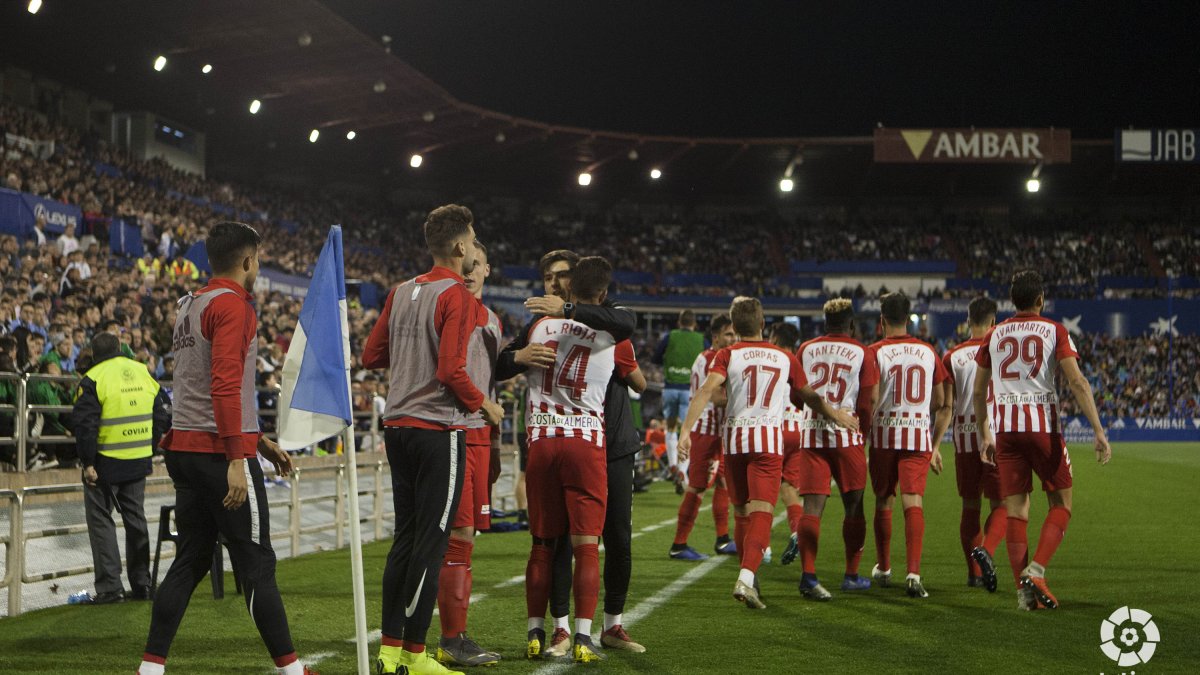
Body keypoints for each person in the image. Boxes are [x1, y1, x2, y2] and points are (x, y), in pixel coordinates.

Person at [138, 222, 314, 675]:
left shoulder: (189, 305)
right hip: (219, 452)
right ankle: (292, 669)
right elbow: (223, 386)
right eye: (258, 259)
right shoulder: (234, 305)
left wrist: (259, 440)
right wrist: (239, 456)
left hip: (185, 448)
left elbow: (198, 386)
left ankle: (151, 667)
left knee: (191, 558)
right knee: (256, 562)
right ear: (248, 260)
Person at [361, 205, 503, 675]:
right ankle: (416, 655)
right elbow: (450, 371)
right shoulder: (456, 294)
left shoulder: (401, 291)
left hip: (396, 428)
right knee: (430, 545)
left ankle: (389, 653)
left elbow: (371, 355)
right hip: (438, 430)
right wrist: (485, 405)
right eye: (474, 238)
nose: (475, 247)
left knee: (404, 540)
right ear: (461, 247)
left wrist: (411, 357)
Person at [495, 248, 641, 659]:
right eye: (549, 278)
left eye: (561, 277)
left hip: (569, 440)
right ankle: (572, 632)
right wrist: (518, 357)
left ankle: (562, 629)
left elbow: (624, 323)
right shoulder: (606, 333)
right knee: (576, 544)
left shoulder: (552, 325)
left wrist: (564, 314)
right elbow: (639, 378)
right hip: (586, 440)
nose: (554, 284)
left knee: (575, 540)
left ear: (573, 284)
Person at [679, 296, 857, 609]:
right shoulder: (784, 357)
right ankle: (746, 577)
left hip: (735, 441)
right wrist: (837, 415)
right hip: (766, 443)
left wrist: (685, 431)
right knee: (762, 511)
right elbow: (810, 397)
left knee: (741, 512)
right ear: (762, 323)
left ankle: (750, 578)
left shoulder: (727, 354)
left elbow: (707, 390)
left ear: (735, 327)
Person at [973, 270, 1111, 610]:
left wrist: (984, 433)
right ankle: (1036, 571)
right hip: (1042, 429)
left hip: (1006, 431)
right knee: (1061, 503)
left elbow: (978, 391)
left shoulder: (993, 334)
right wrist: (1098, 430)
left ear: (1012, 301)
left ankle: (1023, 597)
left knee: (1016, 511)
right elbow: (1077, 382)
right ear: (1040, 300)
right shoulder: (1054, 330)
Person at [780, 299, 879, 599]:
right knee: (854, 507)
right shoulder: (862, 352)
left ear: (825, 323)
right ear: (852, 325)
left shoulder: (806, 348)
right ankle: (851, 575)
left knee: (812, 508)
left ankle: (809, 577)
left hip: (812, 435)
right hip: (847, 436)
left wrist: (816, 413)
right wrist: (863, 432)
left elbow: (796, 397)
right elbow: (867, 402)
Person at [435, 241, 503, 668]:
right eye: (466, 263)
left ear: (487, 270)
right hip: (452, 431)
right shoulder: (448, 307)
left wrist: (494, 444)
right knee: (455, 537)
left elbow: (491, 380)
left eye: (477, 265)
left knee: (467, 537)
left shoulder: (493, 320)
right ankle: (449, 638)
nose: (470, 270)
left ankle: (455, 635)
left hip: (480, 437)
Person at [72, 333, 171, 604]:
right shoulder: (142, 371)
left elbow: (85, 425)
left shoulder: (92, 379)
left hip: (105, 463)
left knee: (101, 520)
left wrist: (88, 463)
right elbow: (163, 410)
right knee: (136, 519)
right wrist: (150, 444)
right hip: (138, 459)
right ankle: (142, 585)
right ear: (119, 348)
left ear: (94, 354)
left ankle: (110, 588)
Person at [868, 292, 953, 599]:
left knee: (884, 500)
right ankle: (914, 574)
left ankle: (884, 568)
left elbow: (871, 398)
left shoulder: (874, 352)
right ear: (908, 319)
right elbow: (941, 401)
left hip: (883, 435)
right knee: (913, 501)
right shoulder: (928, 351)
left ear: (881, 320)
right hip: (917, 435)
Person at [942, 296, 1008, 591]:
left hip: (964, 439)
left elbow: (947, 405)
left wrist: (934, 445)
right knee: (1003, 504)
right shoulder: (1002, 351)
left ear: (968, 321)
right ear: (994, 321)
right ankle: (987, 552)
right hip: (995, 437)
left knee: (970, 506)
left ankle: (974, 574)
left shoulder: (951, 356)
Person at [670, 314, 738, 561]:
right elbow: (717, 398)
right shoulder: (713, 358)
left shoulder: (709, 356)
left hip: (715, 432)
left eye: (735, 334)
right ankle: (679, 544)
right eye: (728, 334)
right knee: (697, 487)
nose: (733, 339)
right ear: (716, 336)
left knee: (723, 483)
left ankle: (723, 539)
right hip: (707, 432)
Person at [653, 310, 706, 491]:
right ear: (694, 324)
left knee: (671, 428)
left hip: (670, 388)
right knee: (687, 431)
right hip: (689, 391)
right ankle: (683, 471)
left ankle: (673, 464)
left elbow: (655, 357)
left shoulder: (670, 336)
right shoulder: (701, 340)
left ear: (679, 322)